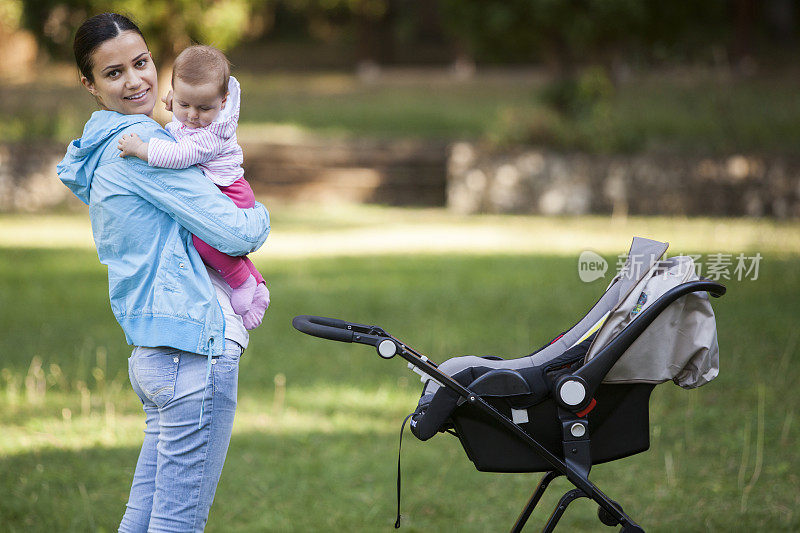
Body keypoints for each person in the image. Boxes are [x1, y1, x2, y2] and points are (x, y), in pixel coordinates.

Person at [56, 12, 270, 532]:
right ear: (89, 83)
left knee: (143, 519)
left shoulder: (103, 146)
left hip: (156, 353)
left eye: (142, 63)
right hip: (192, 351)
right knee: (176, 524)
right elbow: (239, 233)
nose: (134, 81)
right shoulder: (142, 151)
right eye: (113, 73)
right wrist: (261, 214)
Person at [117, 45, 269, 328]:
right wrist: (175, 104)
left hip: (231, 191)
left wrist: (142, 149)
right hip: (222, 187)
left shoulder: (210, 135)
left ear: (223, 102)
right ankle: (258, 285)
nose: (193, 116)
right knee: (217, 244)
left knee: (203, 240)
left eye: (204, 108)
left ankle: (241, 281)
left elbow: (179, 156)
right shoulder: (193, 109)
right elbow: (185, 108)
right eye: (184, 104)